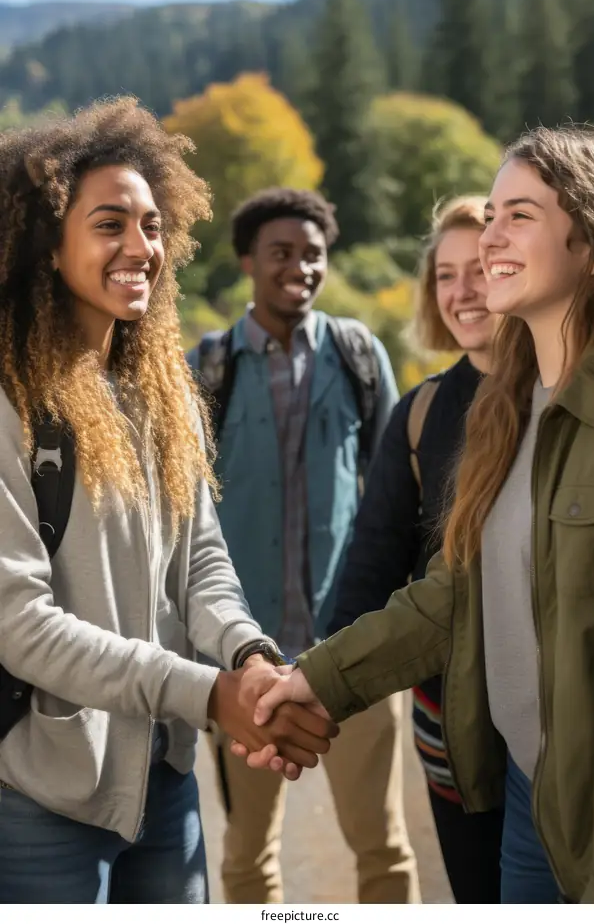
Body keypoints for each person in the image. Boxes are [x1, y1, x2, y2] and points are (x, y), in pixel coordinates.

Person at [246, 125, 594, 905]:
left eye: (521, 216)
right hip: (525, 796)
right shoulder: (506, 413)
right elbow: (454, 594)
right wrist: (315, 680)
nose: (492, 237)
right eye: (493, 208)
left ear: (592, 246)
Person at [0, 99, 336, 905]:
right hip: (42, 797)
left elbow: (202, 566)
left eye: (152, 225)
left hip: (166, 784)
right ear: (49, 242)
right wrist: (207, 692)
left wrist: (249, 658)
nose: (140, 248)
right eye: (109, 224)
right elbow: (20, 622)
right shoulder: (12, 400)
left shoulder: (164, 394)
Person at [187, 187, 420, 904]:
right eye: (282, 252)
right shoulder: (209, 369)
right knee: (248, 856)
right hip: (246, 662)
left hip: (353, 652)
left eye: (313, 254)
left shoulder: (357, 354)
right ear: (247, 261)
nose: (300, 267)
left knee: (383, 849)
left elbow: (395, 499)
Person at [327, 195, 504, 903]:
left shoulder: (560, 392)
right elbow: (370, 567)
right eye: (444, 274)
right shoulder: (423, 409)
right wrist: (311, 695)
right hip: (450, 738)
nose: (462, 292)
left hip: (557, 736)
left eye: (481, 269)